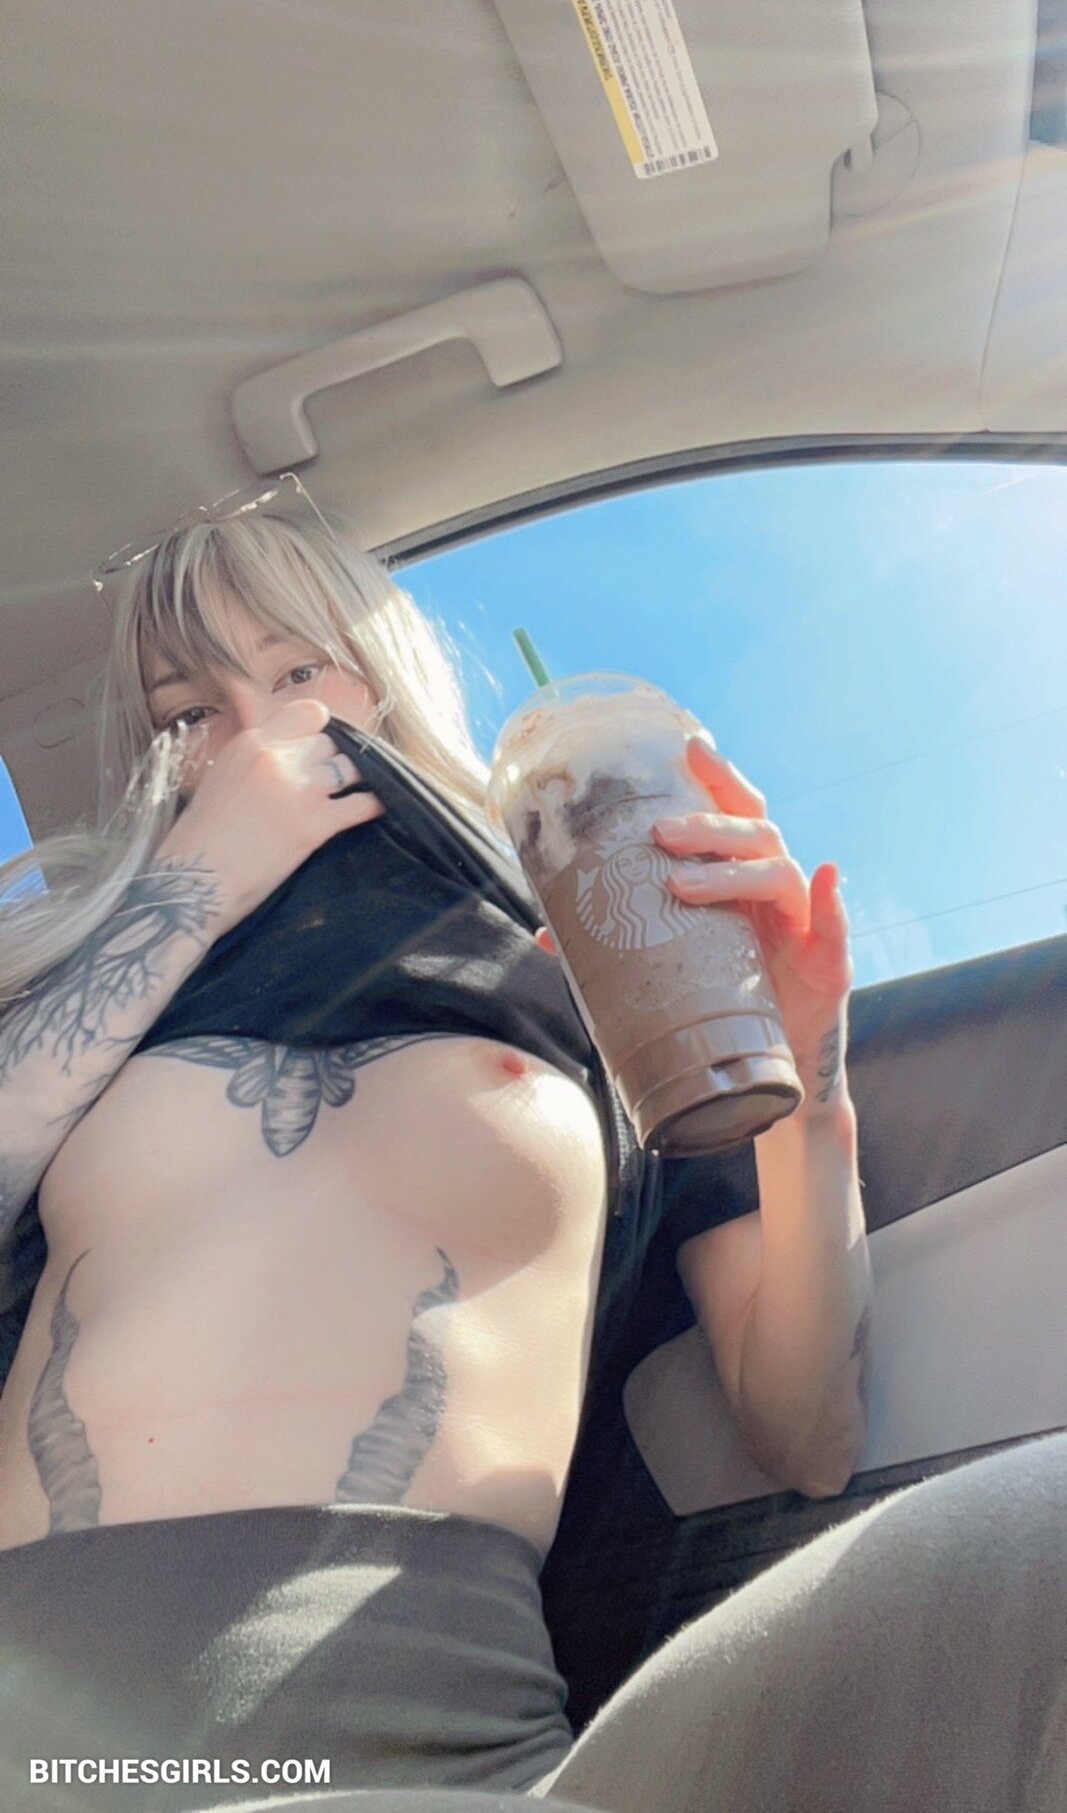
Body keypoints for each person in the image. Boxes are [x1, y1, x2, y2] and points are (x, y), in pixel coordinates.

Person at [0, 513, 1062, 1813]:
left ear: (383, 682)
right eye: (188, 712)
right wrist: (194, 884)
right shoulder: (73, 966)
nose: (259, 730)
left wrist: (806, 1082)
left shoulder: (587, 955)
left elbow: (810, 1437)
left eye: (296, 669)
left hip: (433, 1744)